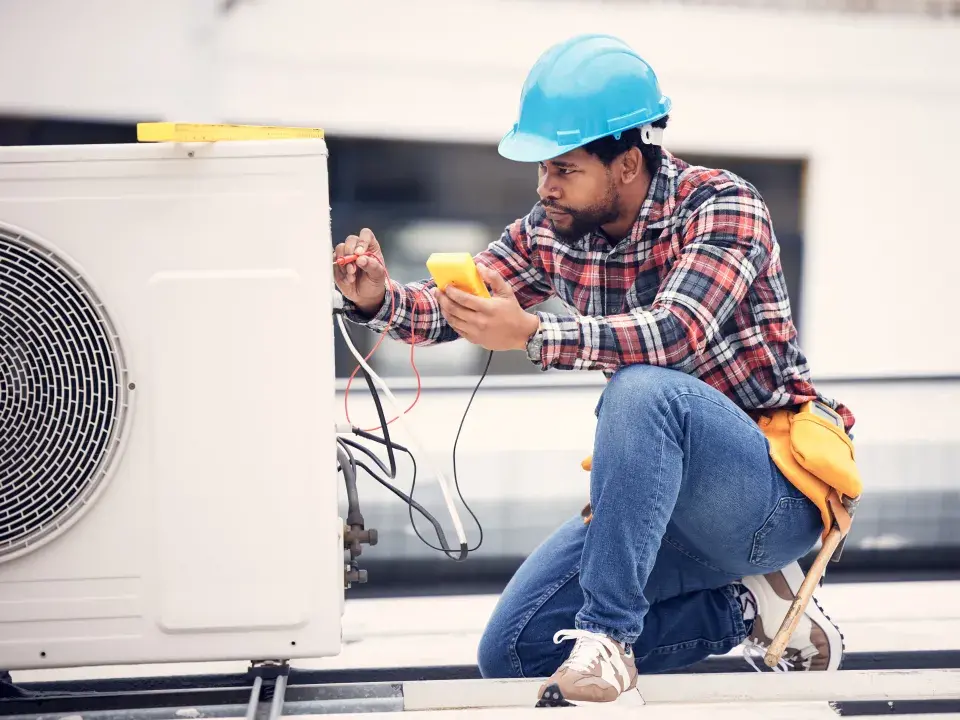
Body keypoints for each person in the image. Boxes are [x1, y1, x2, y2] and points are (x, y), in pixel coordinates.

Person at [334, 33, 852, 705]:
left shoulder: (724, 208)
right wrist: (377, 297)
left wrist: (535, 335)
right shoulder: (552, 228)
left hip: (765, 497)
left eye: (564, 168)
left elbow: (674, 334)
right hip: (660, 514)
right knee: (513, 651)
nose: (545, 188)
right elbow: (459, 306)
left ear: (628, 163)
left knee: (643, 391)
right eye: (540, 169)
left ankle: (607, 644)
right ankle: (751, 611)